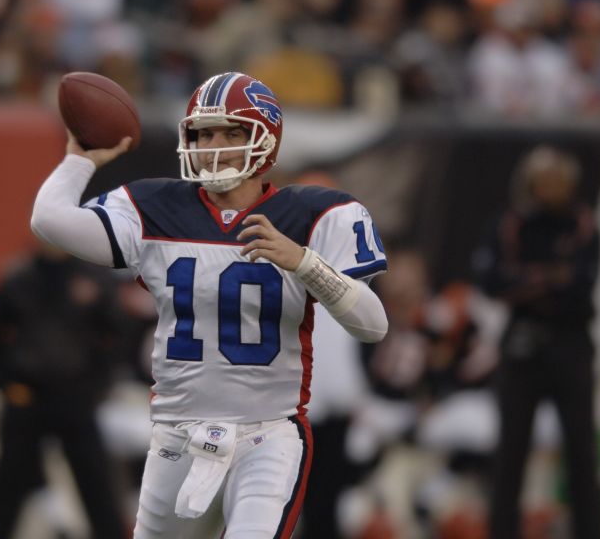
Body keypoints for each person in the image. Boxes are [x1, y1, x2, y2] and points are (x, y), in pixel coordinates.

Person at [29, 71, 390, 538]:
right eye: (203, 133)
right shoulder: (153, 205)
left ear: (265, 138)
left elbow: (373, 325)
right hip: (177, 434)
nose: (212, 144)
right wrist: (78, 161)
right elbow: (49, 221)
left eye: (230, 132)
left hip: (268, 435)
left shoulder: (316, 215)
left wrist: (304, 263)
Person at [472, 146, 600, 539]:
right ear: (530, 183)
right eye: (544, 180)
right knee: (511, 453)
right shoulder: (509, 224)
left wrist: (526, 282)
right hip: (522, 346)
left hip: (571, 345)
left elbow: (581, 286)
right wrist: (551, 279)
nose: (552, 188)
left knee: (581, 452)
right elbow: (492, 282)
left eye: (559, 180)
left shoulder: (585, 224)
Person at [0, 243, 128, 539]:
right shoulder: (21, 278)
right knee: (7, 487)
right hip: (27, 396)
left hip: (75, 396)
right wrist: (6, 384)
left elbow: (118, 334)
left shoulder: (91, 279)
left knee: (96, 485)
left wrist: (96, 385)